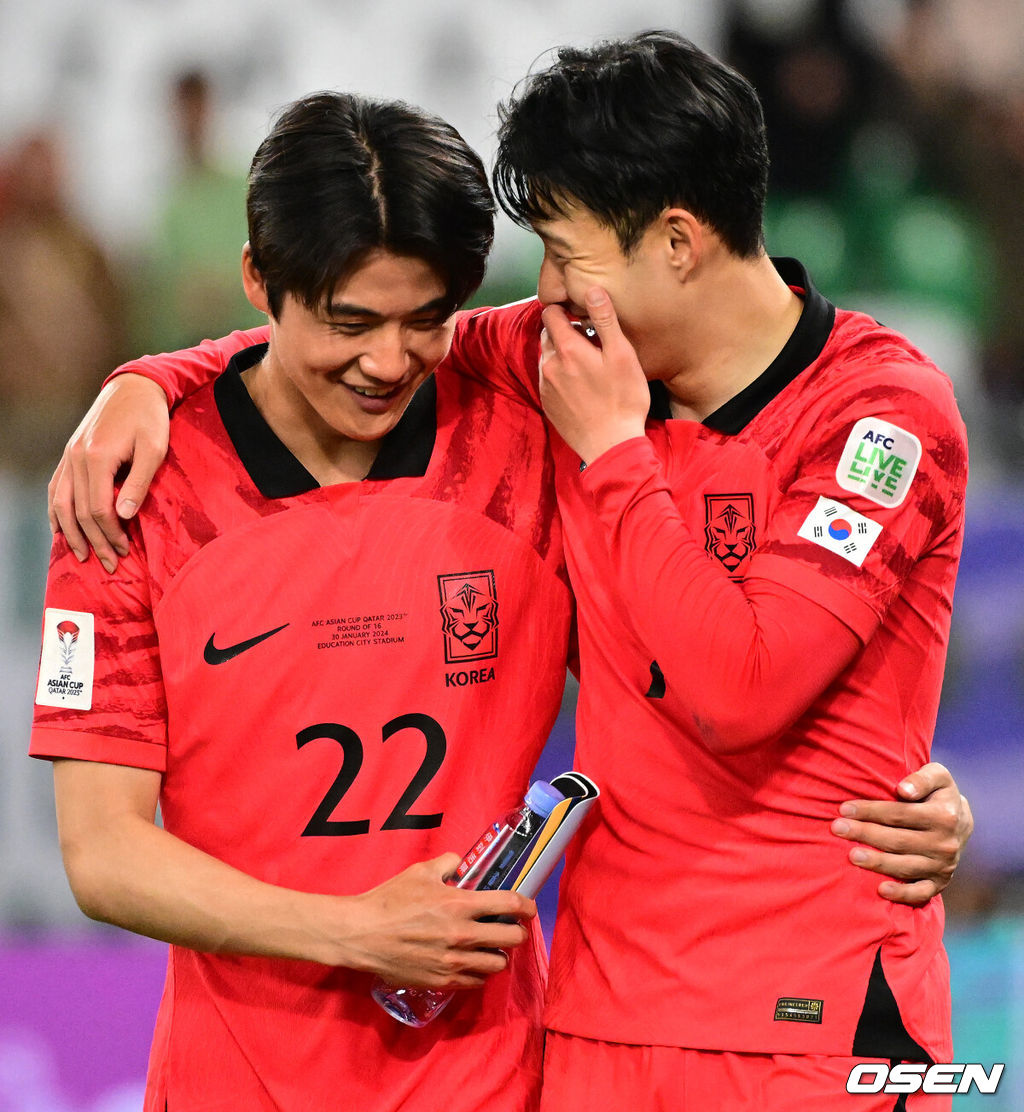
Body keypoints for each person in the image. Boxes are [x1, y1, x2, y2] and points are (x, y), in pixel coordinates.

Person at [45, 36, 974, 1110]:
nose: (545, 290)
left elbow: (746, 687)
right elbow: (333, 335)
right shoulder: (562, 360)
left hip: (810, 1025)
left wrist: (619, 456)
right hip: (591, 1029)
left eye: (564, 251)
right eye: (541, 254)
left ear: (675, 241)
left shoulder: (854, 413)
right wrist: (144, 379)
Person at [31, 91, 571, 1112]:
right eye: (349, 322)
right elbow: (103, 853)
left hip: (492, 1077)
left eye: (425, 321)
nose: (386, 362)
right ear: (257, 279)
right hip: (235, 1079)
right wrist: (357, 930)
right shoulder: (128, 492)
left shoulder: (526, 435)